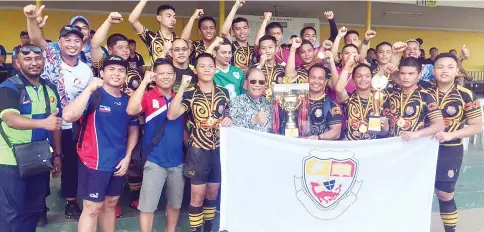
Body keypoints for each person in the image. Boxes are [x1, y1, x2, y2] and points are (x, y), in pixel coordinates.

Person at [25, 4, 94, 220]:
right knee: (42, 164)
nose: (72, 44)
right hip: (47, 122)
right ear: (60, 42)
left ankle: (71, 202)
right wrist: (31, 19)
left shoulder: (86, 69)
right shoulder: (51, 58)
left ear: (82, 45)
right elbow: (36, 39)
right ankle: (38, 208)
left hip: (72, 126)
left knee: (70, 164)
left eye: (77, 41)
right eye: (68, 40)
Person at [62, 56, 139, 232]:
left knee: (111, 204)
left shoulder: (128, 100)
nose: (116, 73)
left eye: (121, 70)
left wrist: (127, 157)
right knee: (92, 208)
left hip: (118, 162)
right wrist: (88, 89)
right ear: (102, 73)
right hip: (93, 161)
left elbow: (133, 129)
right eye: (111, 69)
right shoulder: (93, 95)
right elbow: (67, 116)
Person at [167, 53, 232, 232]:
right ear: (196, 70)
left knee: (212, 193)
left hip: (219, 149)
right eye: (202, 66)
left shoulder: (223, 92)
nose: (207, 69)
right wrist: (182, 88)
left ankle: (209, 228)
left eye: (210, 66)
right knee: (197, 196)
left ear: (215, 68)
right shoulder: (190, 93)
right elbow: (172, 115)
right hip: (197, 150)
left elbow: (227, 114)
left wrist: (228, 119)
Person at [0, 44, 62, 232]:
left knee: (33, 211)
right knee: (12, 213)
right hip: (10, 160)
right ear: (17, 63)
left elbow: (56, 123)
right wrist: (43, 124)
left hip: (39, 158)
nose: (34, 63)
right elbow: (10, 118)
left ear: (43, 61)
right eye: (28, 59)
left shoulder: (50, 88)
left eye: (38, 58)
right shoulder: (8, 87)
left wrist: (58, 155)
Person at [127, 61, 185, 232]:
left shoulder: (180, 98)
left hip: (178, 161)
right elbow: (131, 110)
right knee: (147, 207)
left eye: (169, 73)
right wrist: (144, 82)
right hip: (154, 161)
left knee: (175, 205)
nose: (166, 77)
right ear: (154, 76)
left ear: (175, 76)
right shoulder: (148, 96)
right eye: (161, 73)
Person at [430, 53, 482, 232]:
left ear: (457, 70)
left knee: (444, 194)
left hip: (449, 150)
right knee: (413, 189)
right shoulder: (422, 90)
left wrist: (451, 135)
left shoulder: (466, 95)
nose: (444, 71)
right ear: (433, 70)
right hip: (419, 149)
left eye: (450, 67)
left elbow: (476, 127)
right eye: (440, 67)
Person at [388, 57, 445, 140]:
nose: (406, 77)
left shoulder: (426, 97)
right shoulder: (392, 94)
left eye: (411, 74)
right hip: (392, 147)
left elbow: (439, 125)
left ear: (419, 75)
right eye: (402, 73)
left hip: (415, 147)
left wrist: (416, 134)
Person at [334, 58, 391, 140]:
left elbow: (383, 134)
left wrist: (385, 128)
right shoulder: (349, 98)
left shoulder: (380, 100)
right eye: (359, 76)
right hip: (350, 146)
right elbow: (339, 89)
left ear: (372, 79)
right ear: (353, 79)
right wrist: (347, 65)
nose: (363, 79)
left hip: (371, 147)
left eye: (367, 76)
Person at [92, 12, 143, 97]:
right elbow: (95, 45)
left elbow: (143, 96)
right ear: (110, 50)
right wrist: (108, 22)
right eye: (120, 47)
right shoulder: (103, 66)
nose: (125, 50)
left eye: (127, 47)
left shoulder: (135, 71)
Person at [306, 64, 342, 140]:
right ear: (307, 79)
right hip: (297, 148)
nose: (316, 81)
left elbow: (336, 132)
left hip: (319, 149)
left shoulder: (331, 104)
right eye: (313, 77)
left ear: (325, 82)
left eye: (320, 78)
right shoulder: (298, 101)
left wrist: (318, 138)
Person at [230, 68, 272, 132]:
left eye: (261, 82)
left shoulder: (270, 104)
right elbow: (233, 129)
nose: (257, 85)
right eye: (253, 81)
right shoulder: (236, 102)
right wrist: (253, 121)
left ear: (264, 85)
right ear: (246, 83)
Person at [220, 0, 255, 73]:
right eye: (238, 29)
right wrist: (235, 7)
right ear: (233, 32)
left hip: (250, 83)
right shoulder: (230, 46)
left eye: (244, 28)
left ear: (249, 30)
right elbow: (224, 32)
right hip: (233, 82)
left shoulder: (253, 49)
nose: (242, 31)